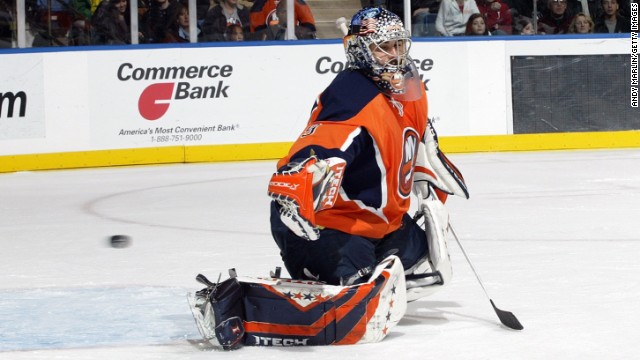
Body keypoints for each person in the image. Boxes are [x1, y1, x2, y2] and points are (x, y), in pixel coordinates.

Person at [188, 7, 468, 350]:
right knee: (352, 300)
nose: (395, 56)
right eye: (384, 47)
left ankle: (355, 271)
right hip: (323, 225)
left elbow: (415, 128)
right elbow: (321, 146)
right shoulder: (351, 94)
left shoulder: (407, 84)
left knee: (421, 255)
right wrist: (299, 189)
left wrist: (427, 161)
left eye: (399, 45)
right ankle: (242, 308)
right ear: (360, 50)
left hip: (373, 222)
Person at [249, 0, 316, 39]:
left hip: (293, 40)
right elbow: (257, 33)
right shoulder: (259, 5)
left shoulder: (297, 2)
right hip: (270, 43)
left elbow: (310, 27)